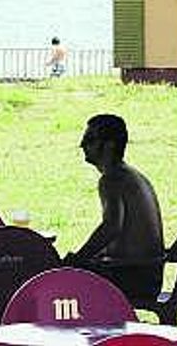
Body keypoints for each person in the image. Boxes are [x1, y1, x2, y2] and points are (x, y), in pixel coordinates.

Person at [64, 114, 165, 300]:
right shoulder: (131, 175)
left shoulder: (111, 179)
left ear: (109, 145)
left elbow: (111, 228)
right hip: (147, 275)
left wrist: (77, 260)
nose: (82, 145)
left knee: (61, 279)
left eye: (90, 139)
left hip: (133, 278)